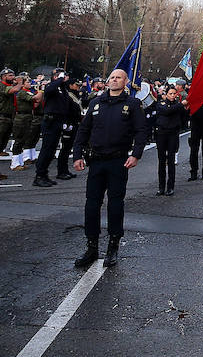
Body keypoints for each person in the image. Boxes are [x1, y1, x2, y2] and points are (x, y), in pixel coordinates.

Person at [71, 68, 147, 269]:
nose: (114, 80)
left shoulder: (132, 104)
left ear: (126, 81)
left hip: (118, 161)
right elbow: (83, 130)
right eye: (111, 77)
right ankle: (92, 246)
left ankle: (113, 246)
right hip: (96, 161)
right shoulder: (96, 103)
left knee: (115, 204)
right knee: (91, 204)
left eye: (118, 77)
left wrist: (136, 154)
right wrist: (77, 154)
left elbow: (141, 131)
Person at [35, 71, 83, 186]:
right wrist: (59, 79)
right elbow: (49, 90)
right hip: (50, 120)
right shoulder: (52, 86)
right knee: (46, 149)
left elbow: (68, 107)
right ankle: (39, 176)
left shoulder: (63, 90)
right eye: (62, 76)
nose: (65, 78)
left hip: (59, 121)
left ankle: (44, 175)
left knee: (51, 151)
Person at [152, 85, 186, 195]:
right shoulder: (161, 104)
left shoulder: (178, 105)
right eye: (170, 93)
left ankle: (170, 186)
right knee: (161, 161)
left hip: (173, 134)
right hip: (162, 133)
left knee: (171, 161)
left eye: (174, 94)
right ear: (166, 94)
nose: (172, 96)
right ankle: (161, 187)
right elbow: (167, 111)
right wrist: (181, 105)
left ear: (177, 94)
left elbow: (184, 117)